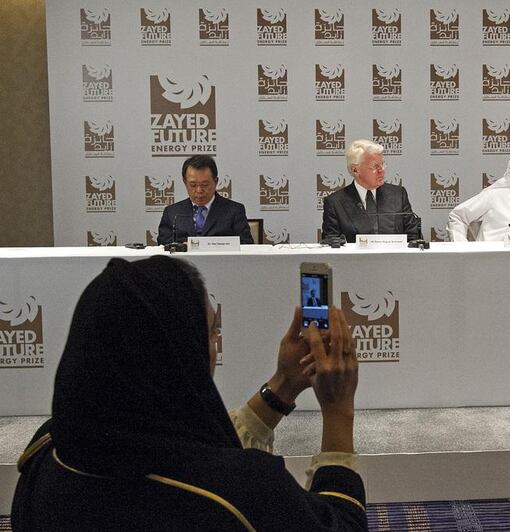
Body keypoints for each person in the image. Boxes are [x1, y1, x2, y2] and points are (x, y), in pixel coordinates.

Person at [12, 256, 365, 531]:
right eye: (211, 334)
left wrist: (282, 388)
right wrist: (337, 413)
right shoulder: (245, 493)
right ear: (178, 355)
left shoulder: (46, 451)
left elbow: (188, 450)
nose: (214, 347)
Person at [321, 139, 421, 243]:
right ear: (355, 170)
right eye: (375, 166)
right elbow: (331, 243)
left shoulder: (398, 194)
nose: (381, 170)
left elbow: (413, 237)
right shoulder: (335, 203)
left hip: (394, 258)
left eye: (382, 164)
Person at [157, 155, 254, 245]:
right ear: (185, 182)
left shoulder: (234, 211)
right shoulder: (172, 212)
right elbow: (163, 245)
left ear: (215, 182)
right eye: (193, 185)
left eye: (204, 185)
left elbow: (246, 245)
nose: (199, 190)